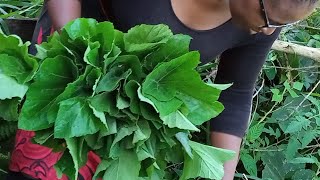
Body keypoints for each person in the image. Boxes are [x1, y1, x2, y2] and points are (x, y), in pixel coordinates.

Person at [6, 0, 319, 179]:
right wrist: (78, 49)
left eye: (282, 25)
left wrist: (222, 174)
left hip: (129, 109)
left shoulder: (259, 26)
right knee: (41, 171)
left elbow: (235, 95)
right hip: (70, 59)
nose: (268, 30)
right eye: (268, 18)